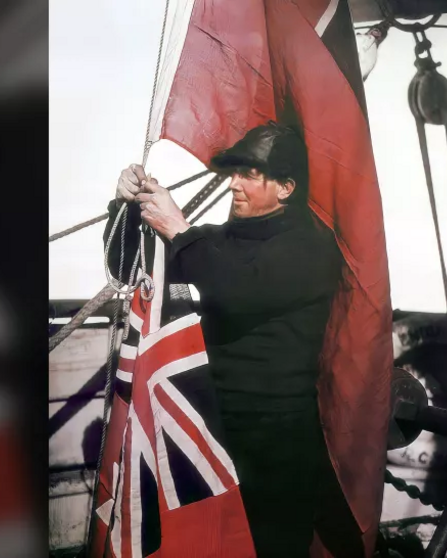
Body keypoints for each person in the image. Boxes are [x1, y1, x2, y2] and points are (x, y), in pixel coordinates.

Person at [113, 122, 363, 557]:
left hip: (279, 444)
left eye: (249, 174)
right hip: (212, 430)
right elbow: (125, 266)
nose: (234, 184)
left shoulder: (310, 248)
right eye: (235, 173)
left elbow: (236, 291)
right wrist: (126, 205)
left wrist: (179, 230)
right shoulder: (217, 240)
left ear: (285, 187)